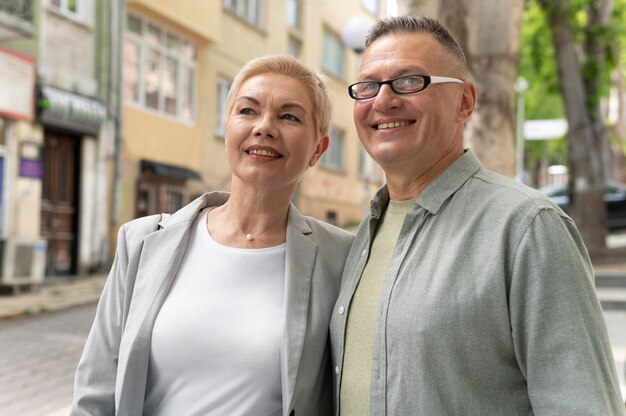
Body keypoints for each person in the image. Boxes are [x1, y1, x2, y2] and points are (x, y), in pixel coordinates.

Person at [329, 15, 624, 415]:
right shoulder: (364, 233)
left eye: (410, 81)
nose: (383, 100)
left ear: (465, 102)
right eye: (368, 87)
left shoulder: (528, 228)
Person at [71, 54, 354, 416]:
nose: (264, 127)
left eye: (289, 116)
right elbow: (95, 393)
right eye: (248, 111)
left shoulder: (340, 257)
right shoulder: (142, 242)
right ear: (227, 129)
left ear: (318, 148)